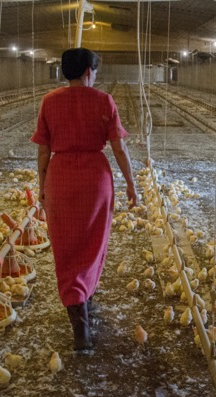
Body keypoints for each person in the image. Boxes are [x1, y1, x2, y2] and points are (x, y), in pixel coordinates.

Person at [31, 47, 137, 351]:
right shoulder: (103, 101)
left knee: (65, 247)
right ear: (89, 71)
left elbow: (42, 152)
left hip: (61, 177)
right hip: (95, 179)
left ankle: (78, 316)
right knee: (92, 242)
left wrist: (42, 186)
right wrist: (131, 183)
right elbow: (119, 149)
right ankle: (84, 295)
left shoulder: (49, 102)